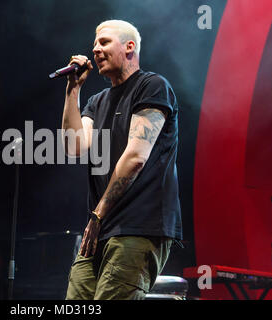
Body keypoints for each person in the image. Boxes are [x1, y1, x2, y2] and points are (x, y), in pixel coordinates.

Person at [61, 20, 182, 300]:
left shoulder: (152, 87)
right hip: (100, 229)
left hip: (138, 226)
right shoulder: (98, 101)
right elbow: (73, 147)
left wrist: (98, 214)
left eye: (103, 42)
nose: (95, 50)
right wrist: (73, 91)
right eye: (94, 45)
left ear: (129, 47)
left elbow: (136, 157)